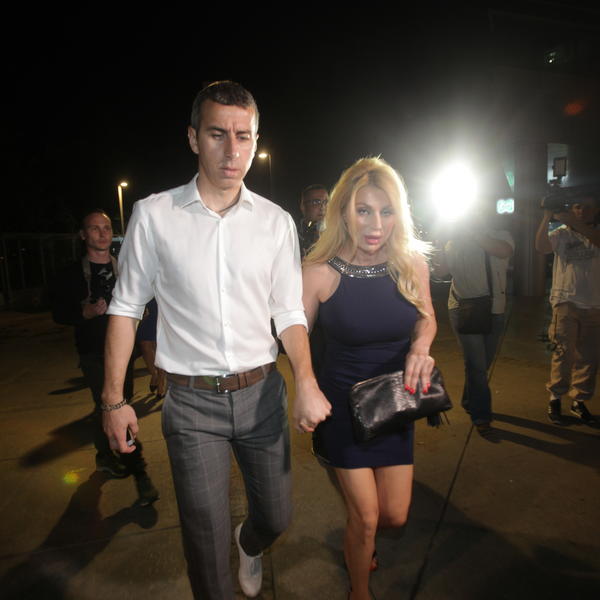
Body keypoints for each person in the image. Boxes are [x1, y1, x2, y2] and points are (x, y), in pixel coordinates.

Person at [100, 80, 331, 600]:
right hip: (191, 402)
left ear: (256, 140)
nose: (232, 151)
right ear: (193, 137)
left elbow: (288, 311)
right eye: (217, 134)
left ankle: (251, 542)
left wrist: (307, 381)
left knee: (276, 515)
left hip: (262, 396)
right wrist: (113, 400)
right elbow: (126, 308)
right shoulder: (154, 216)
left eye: (243, 136)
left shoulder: (275, 222)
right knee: (204, 542)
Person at [302, 157, 436, 600]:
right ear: (343, 212)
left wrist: (420, 348)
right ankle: (359, 589)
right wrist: (305, 384)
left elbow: (427, 318)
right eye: (363, 210)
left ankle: (361, 542)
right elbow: (294, 333)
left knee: (394, 516)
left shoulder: (410, 263)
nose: (376, 224)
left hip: (395, 404)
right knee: (366, 518)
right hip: (342, 409)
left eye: (386, 211)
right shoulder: (319, 272)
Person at [52, 210, 158, 505]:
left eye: (107, 228)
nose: (102, 233)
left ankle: (104, 455)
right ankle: (140, 473)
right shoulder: (71, 273)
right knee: (115, 406)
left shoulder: (123, 268)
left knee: (110, 406)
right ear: (83, 235)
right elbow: (58, 313)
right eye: (94, 228)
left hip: (124, 355)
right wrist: (84, 312)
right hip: (93, 353)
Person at [435, 211, 514, 439]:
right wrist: (439, 242)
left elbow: (504, 251)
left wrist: (473, 233)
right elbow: (440, 271)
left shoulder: (500, 236)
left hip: (494, 308)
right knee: (477, 366)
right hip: (462, 308)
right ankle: (481, 416)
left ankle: (469, 399)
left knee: (481, 363)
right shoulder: (452, 242)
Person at [535, 196, 600, 425]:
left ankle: (579, 400)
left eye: (588, 207)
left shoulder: (594, 232)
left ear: (596, 211)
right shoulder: (562, 233)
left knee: (589, 357)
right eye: (578, 207)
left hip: (595, 304)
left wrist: (574, 222)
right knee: (563, 354)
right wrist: (546, 216)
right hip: (565, 301)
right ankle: (555, 397)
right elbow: (541, 247)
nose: (582, 211)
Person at [136, 298, 166, 398]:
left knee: (159, 348)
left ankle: (161, 382)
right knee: (145, 345)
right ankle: (154, 373)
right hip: (145, 302)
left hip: (161, 304)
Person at [298, 184, 329, 257]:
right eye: (316, 202)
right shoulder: (292, 233)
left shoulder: (337, 233)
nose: (322, 207)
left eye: (325, 202)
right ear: (302, 206)